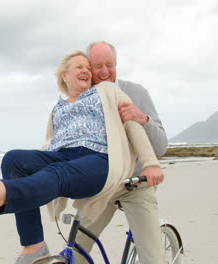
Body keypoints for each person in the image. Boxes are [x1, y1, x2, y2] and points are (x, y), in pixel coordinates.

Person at [0, 49, 164, 264]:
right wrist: (36, 165)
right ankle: (34, 246)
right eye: (80, 67)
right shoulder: (57, 108)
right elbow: (51, 143)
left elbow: (132, 126)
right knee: (13, 160)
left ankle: (0, 192)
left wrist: (151, 164)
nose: (88, 71)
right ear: (64, 76)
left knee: (152, 258)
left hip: (102, 161)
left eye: (88, 67)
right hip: (67, 158)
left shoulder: (107, 90)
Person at [71, 41, 168, 264]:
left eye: (110, 64)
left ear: (116, 64)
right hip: (101, 185)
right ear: (88, 67)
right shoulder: (81, 98)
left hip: (137, 184)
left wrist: (142, 118)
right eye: (98, 66)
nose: (105, 71)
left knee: (153, 258)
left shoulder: (137, 92)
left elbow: (161, 147)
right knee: (76, 253)